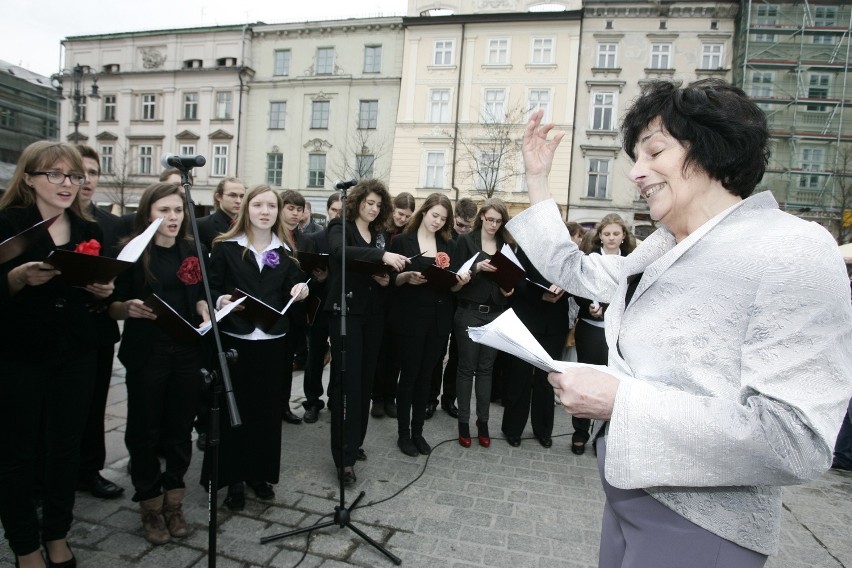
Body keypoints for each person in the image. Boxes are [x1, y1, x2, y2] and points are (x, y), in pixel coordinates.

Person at [508, 79, 852, 567]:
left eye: (653, 152)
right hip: (629, 500)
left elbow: (795, 440)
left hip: (702, 526)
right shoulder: (665, 244)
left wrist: (620, 400)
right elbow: (576, 271)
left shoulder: (793, 249)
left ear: (711, 148)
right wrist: (538, 178)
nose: (637, 173)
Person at [0, 141, 113, 568]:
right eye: (56, 174)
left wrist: (103, 291)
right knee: (16, 454)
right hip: (18, 355)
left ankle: (57, 534)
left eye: (74, 176)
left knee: (65, 449)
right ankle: (25, 545)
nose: (68, 184)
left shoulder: (89, 229)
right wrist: (15, 278)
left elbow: (94, 294)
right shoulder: (8, 224)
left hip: (76, 353)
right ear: (28, 178)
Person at [108, 182, 209, 545]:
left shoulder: (191, 249)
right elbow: (112, 303)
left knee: (180, 429)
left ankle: (174, 502)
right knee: (144, 430)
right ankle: (149, 505)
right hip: (147, 352)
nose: (172, 217)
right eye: (163, 210)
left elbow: (199, 296)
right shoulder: (132, 252)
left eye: (177, 211)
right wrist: (126, 309)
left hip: (185, 350)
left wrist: (202, 307)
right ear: (148, 213)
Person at [202, 184, 309, 511]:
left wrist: (301, 290)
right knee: (236, 413)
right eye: (258, 205)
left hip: (273, 344)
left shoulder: (284, 252)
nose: (265, 212)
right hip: (237, 343)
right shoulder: (225, 247)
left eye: (271, 207)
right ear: (246, 209)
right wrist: (221, 300)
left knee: (265, 413)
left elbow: (298, 286)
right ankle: (233, 479)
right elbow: (212, 289)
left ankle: (258, 475)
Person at [324, 180, 409, 483]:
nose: (373, 208)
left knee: (364, 382)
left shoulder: (380, 235)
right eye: (369, 202)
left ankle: (354, 443)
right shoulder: (340, 226)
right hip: (344, 313)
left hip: (372, 315)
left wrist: (383, 277)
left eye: (378, 205)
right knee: (348, 383)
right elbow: (339, 252)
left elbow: (373, 270)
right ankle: (343, 458)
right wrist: (381, 257)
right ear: (358, 200)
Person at [387, 193, 469, 456]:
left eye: (443, 218)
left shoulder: (449, 245)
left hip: (438, 320)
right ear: (423, 212)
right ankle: (403, 434)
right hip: (410, 318)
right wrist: (406, 276)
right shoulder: (402, 241)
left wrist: (461, 280)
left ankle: (418, 431)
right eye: (435, 215)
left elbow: (452, 285)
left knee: (426, 377)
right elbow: (390, 280)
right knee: (409, 375)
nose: (437, 221)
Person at [74, 145, 125, 500]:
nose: (87, 180)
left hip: (97, 326)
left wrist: (111, 289)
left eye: (93, 172)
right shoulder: (54, 221)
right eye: (80, 173)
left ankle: (89, 470)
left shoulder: (110, 223)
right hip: (56, 326)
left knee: (94, 404)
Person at [570, 214, 636, 455]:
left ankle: (603, 437)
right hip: (589, 328)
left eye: (615, 234)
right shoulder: (590, 260)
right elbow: (578, 289)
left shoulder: (631, 263)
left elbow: (630, 297)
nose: (611, 238)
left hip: (616, 332)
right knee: (586, 380)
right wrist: (588, 305)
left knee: (611, 385)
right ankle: (580, 432)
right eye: (606, 234)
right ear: (600, 236)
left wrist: (607, 309)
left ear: (623, 236)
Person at [452, 198, 514, 449]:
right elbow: (453, 282)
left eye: (498, 221)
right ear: (481, 218)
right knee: (467, 369)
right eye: (489, 219)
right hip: (469, 311)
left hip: (496, 312)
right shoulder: (466, 241)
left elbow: (512, 277)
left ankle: (484, 423)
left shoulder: (505, 245)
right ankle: (464, 423)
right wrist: (476, 268)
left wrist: (509, 288)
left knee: (487, 370)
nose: (493, 225)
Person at [500, 244, 570, 448]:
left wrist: (565, 286)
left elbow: (576, 279)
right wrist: (540, 294)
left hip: (554, 322)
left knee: (546, 380)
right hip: (527, 318)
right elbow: (515, 279)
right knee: (519, 376)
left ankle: (543, 430)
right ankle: (513, 429)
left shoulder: (566, 251)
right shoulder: (524, 248)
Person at [428, 196, 477, 419]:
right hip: (444, 301)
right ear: (454, 218)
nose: (464, 230)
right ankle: (430, 399)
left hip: (465, 303)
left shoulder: (474, 241)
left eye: (469, 226)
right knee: (437, 353)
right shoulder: (447, 238)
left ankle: (449, 399)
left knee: (458, 356)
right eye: (460, 225)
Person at [371, 191, 416, 419]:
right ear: (392, 209)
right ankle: (377, 398)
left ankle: (390, 397)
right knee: (380, 351)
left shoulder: (409, 235)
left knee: (396, 353)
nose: (403, 219)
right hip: (379, 296)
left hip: (400, 298)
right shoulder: (380, 230)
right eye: (400, 213)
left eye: (408, 216)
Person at [302, 193, 341, 423]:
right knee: (315, 356)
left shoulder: (349, 239)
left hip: (341, 306)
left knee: (339, 357)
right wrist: (320, 278)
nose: (338, 215)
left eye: (342, 211)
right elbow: (303, 277)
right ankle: (312, 401)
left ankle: (335, 399)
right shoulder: (315, 238)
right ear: (328, 211)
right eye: (335, 210)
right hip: (318, 307)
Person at [196, 177, 245, 250]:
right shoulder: (201, 225)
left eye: (242, 196)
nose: (239, 201)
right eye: (232, 195)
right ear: (219, 197)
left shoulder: (247, 225)